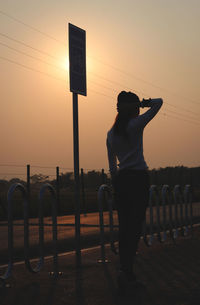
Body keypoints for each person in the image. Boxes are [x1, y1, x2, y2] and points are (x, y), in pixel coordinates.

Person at [106, 91, 163, 295]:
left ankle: (125, 272)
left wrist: (116, 188)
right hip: (138, 180)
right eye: (136, 106)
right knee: (134, 228)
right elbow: (159, 103)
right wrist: (143, 102)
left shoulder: (111, 134)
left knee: (125, 229)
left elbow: (112, 168)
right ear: (133, 108)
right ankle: (128, 274)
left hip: (122, 182)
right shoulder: (135, 124)